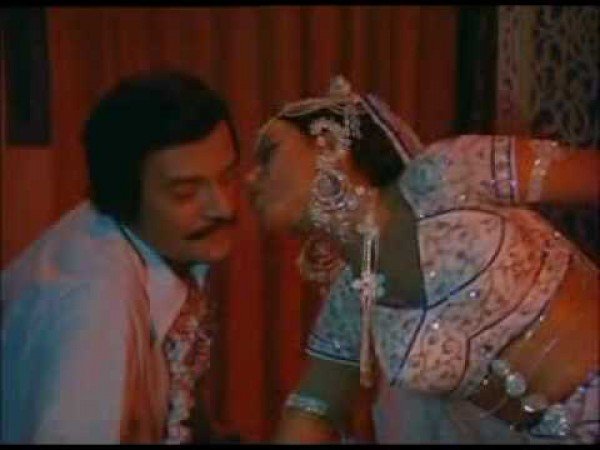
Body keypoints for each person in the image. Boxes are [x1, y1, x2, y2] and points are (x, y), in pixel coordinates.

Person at [245, 76, 599, 444]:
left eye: (269, 153)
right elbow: (312, 410)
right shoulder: (352, 299)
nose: (250, 179)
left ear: (329, 142)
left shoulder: (445, 174)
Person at [1, 71, 241, 444]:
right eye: (185, 193)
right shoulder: (97, 306)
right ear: (123, 193)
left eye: (227, 178)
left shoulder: (139, 241)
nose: (224, 207)